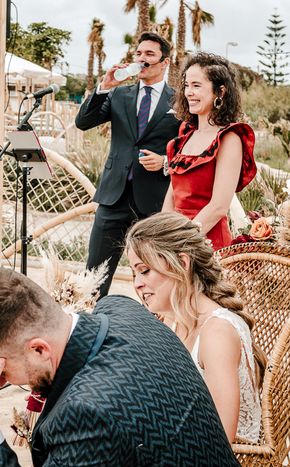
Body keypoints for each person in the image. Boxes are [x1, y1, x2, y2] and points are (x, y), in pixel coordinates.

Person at [0, 267, 249, 467]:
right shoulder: (122, 310)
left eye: (1, 370)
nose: (0, 382)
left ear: (39, 350)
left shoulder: (90, 414)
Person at [125, 212, 266, 443]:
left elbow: (220, 444)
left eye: (144, 270)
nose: (137, 283)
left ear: (182, 263)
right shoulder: (173, 321)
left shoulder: (216, 333)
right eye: (134, 273)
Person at [75, 31, 180, 298]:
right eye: (139, 53)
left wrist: (166, 162)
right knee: (95, 274)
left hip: (154, 203)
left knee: (155, 278)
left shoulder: (178, 101)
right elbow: (83, 122)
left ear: (164, 62)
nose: (142, 59)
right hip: (113, 198)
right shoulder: (119, 95)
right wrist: (104, 87)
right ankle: (88, 328)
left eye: (150, 54)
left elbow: (189, 149)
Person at [163, 52, 256, 250]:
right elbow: (172, 197)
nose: (188, 92)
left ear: (220, 92)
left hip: (206, 245)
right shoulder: (186, 134)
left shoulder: (229, 138)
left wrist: (181, 243)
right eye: (186, 85)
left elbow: (219, 206)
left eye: (196, 86)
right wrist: (165, 238)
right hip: (175, 242)